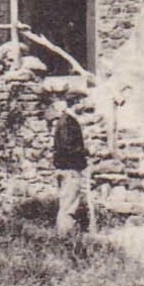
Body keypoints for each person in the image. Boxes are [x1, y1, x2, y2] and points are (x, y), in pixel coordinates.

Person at [48, 97, 89, 235]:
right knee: (68, 207)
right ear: (75, 103)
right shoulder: (67, 121)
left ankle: (64, 237)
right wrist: (85, 151)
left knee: (67, 204)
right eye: (82, 101)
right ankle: (65, 239)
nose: (84, 105)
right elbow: (66, 147)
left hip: (67, 168)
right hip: (70, 169)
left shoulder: (66, 120)